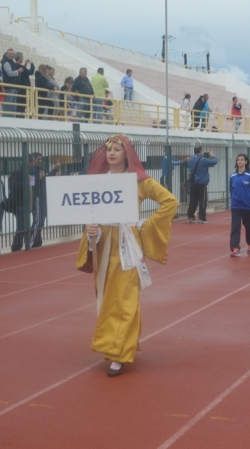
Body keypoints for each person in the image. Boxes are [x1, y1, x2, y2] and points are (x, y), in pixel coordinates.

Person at [77, 134, 177, 377]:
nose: (111, 153)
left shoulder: (139, 182)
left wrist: (143, 225)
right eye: (108, 149)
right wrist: (93, 230)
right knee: (106, 296)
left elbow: (169, 202)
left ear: (127, 154)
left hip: (126, 245)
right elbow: (92, 213)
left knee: (124, 297)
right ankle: (118, 344)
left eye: (117, 149)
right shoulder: (98, 182)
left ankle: (119, 353)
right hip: (103, 244)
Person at [229, 154, 250, 256]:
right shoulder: (232, 176)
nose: (239, 162)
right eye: (238, 160)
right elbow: (231, 190)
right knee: (235, 227)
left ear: (246, 162)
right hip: (235, 205)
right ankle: (235, 248)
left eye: (241, 160)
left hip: (247, 206)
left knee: (248, 226)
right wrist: (233, 201)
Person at [186, 146, 217, 223]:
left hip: (193, 182)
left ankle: (191, 217)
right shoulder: (203, 160)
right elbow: (214, 161)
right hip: (202, 182)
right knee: (202, 201)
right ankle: (202, 217)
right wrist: (213, 156)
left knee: (193, 200)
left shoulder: (190, 159)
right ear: (200, 151)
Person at [0, 49, 21, 116]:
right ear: (6, 54)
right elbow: (9, 73)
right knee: (8, 105)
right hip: (10, 86)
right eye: (10, 54)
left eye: (12, 54)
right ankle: (6, 121)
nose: (11, 55)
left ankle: (11, 121)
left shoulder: (11, 62)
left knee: (12, 106)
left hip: (13, 86)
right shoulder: (6, 62)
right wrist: (18, 71)